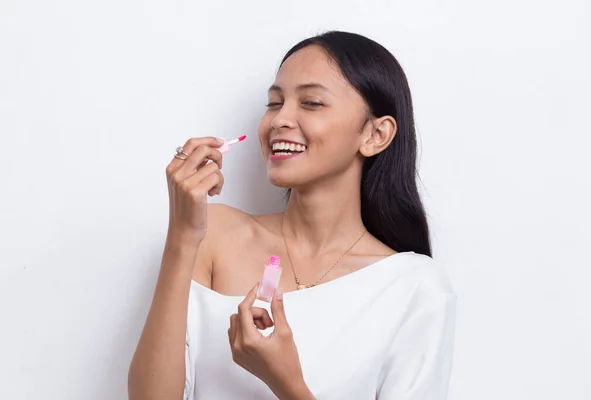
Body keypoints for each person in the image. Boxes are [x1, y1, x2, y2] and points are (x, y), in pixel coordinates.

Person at [128, 30, 457, 400]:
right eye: (274, 103)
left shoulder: (415, 288)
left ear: (375, 134)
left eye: (312, 103)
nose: (280, 119)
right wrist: (182, 234)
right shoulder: (212, 236)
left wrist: (286, 382)